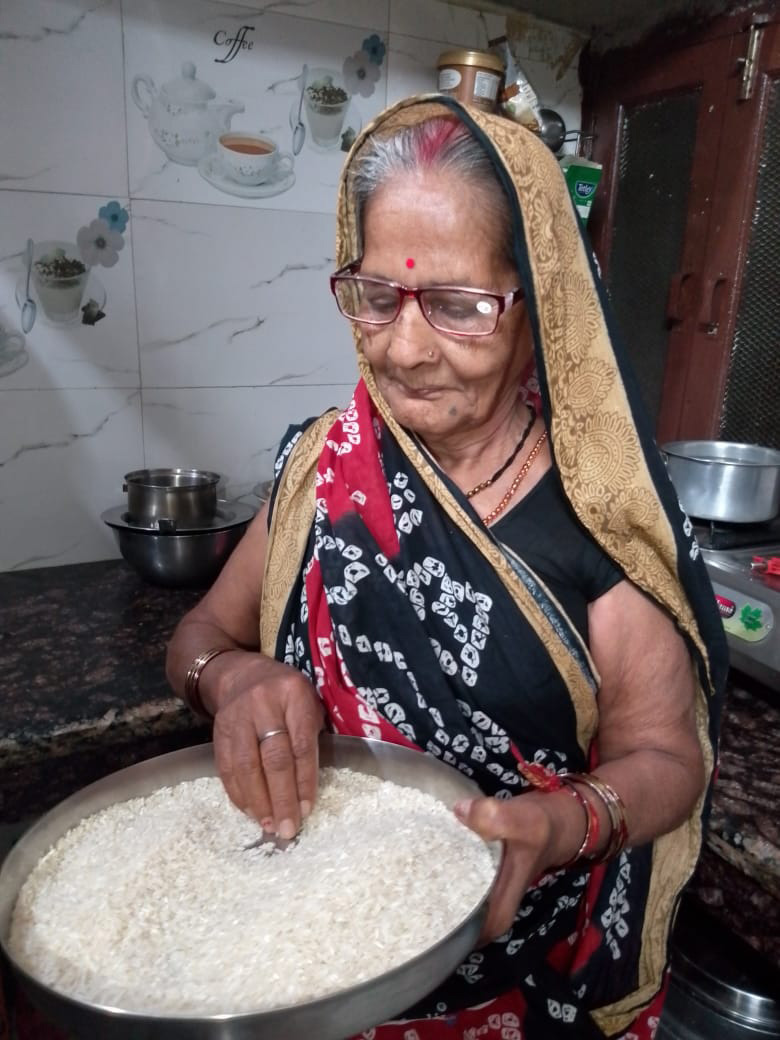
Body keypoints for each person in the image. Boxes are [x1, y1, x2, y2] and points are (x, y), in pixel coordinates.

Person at [165, 95, 728, 1039]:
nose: (406, 346)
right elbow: (199, 636)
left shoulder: (596, 517)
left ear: (536, 303)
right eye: (378, 297)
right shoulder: (324, 466)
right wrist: (234, 678)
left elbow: (670, 760)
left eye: (460, 306)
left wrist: (560, 827)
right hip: (309, 956)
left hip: (517, 980)